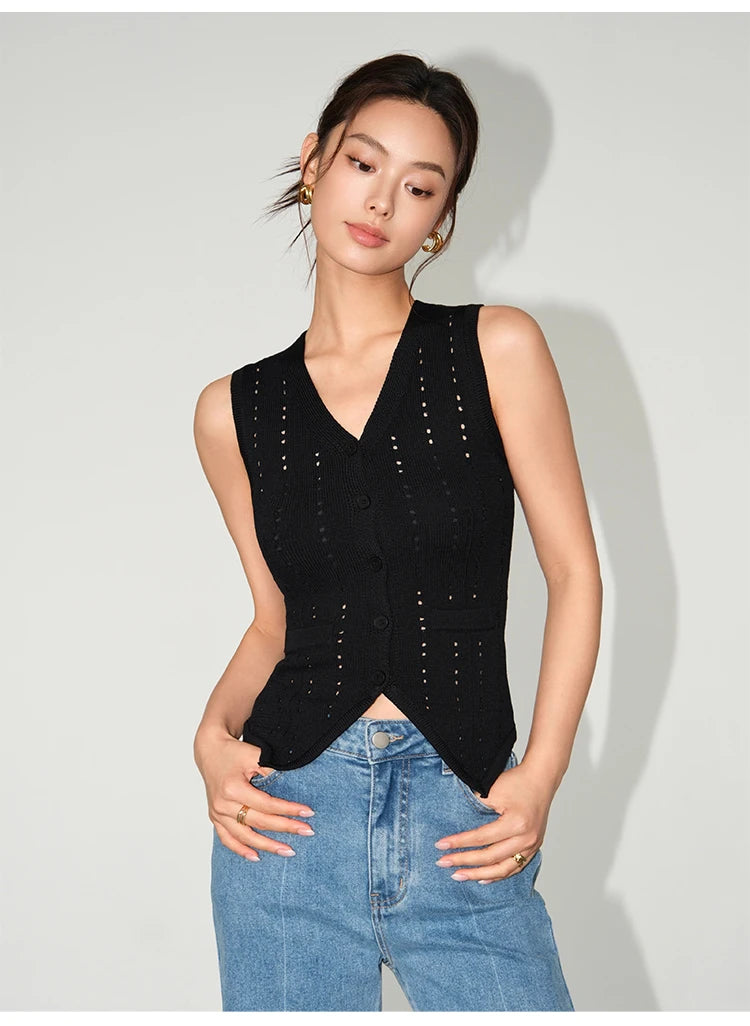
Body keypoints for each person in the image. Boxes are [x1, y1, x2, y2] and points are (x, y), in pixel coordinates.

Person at [192, 53, 602, 1012]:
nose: (382, 201)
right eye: (362, 163)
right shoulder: (231, 412)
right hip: (287, 826)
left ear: (441, 217)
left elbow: (574, 574)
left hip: (463, 815)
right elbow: (273, 622)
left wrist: (540, 774)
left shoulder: (496, 348)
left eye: (420, 186)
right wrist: (210, 737)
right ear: (314, 163)